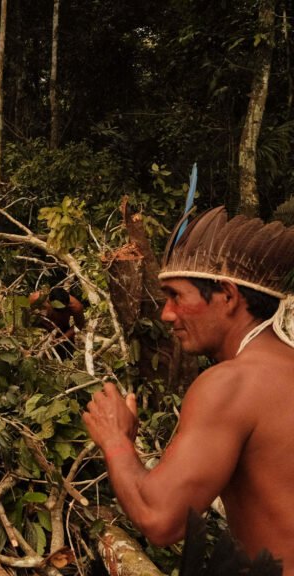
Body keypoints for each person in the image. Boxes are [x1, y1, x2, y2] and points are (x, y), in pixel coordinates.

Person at [83, 206, 294, 566]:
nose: (166, 313)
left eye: (176, 296)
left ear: (227, 295)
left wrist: (115, 440)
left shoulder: (231, 384)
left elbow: (161, 520)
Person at [28, 286, 86, 359]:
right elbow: (25, 312)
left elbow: (79, 325)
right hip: (40, 326)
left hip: (61, 328)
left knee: (67, 356)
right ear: (49, 301)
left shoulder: (76, 307)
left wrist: (62, 338)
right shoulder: (37, 298)